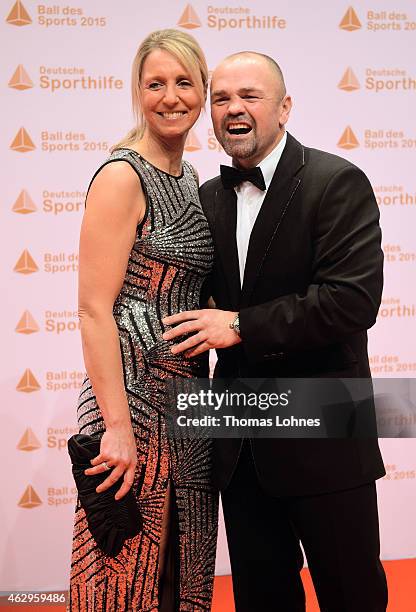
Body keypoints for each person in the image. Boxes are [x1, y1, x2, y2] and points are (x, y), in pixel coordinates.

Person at [162, 52, 388, 611]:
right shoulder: (206, 198)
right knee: (263, 600)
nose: (233, 109)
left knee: (352, 594)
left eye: (250, 96)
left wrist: (240, 325)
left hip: (327, 436)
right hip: (241, 449)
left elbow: (351, 301)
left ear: (284, 107)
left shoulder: (336, 181)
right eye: (221, 99)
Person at [69, 29, 218, 611]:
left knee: (185, 569)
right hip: (129, 403)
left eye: (184, 82)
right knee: (127, 575)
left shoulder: (193, 179)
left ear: (203, 91)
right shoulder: (121, 176)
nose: (171, 96)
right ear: (138, 91)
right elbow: (93, 311)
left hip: (188, 403)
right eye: (156, 83)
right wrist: (116, 426)